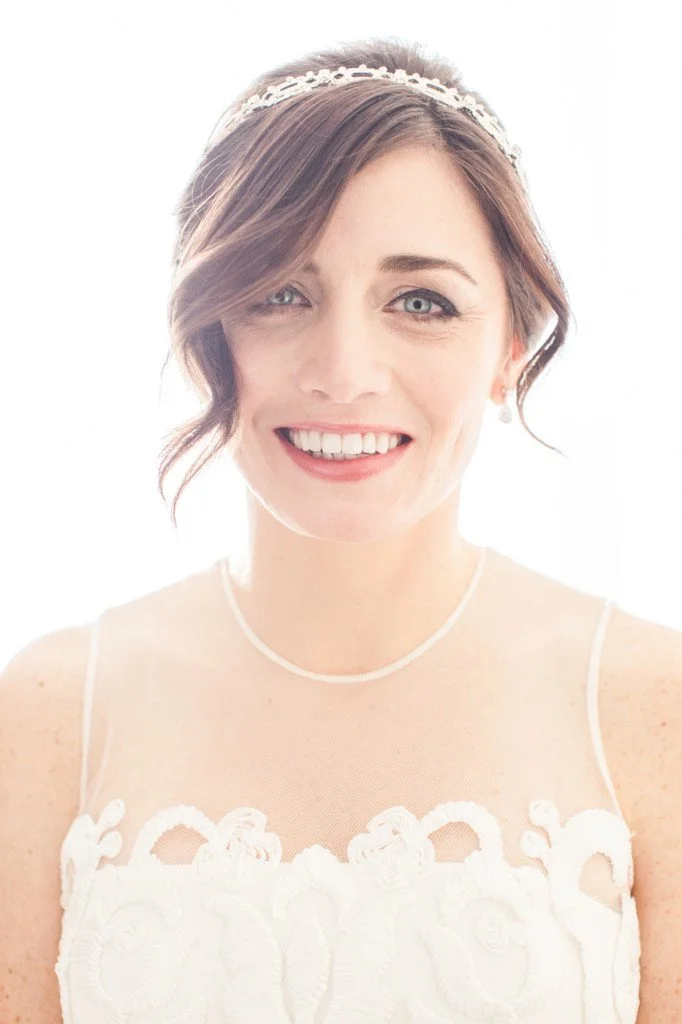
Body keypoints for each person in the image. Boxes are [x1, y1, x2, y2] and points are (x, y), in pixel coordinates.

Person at [1, 34, 681, 1024]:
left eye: (420, 301)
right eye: (280, 293)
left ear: (508, 348)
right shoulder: (54, 711)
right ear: (205, 332)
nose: (344, 369)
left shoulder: (648, 708)